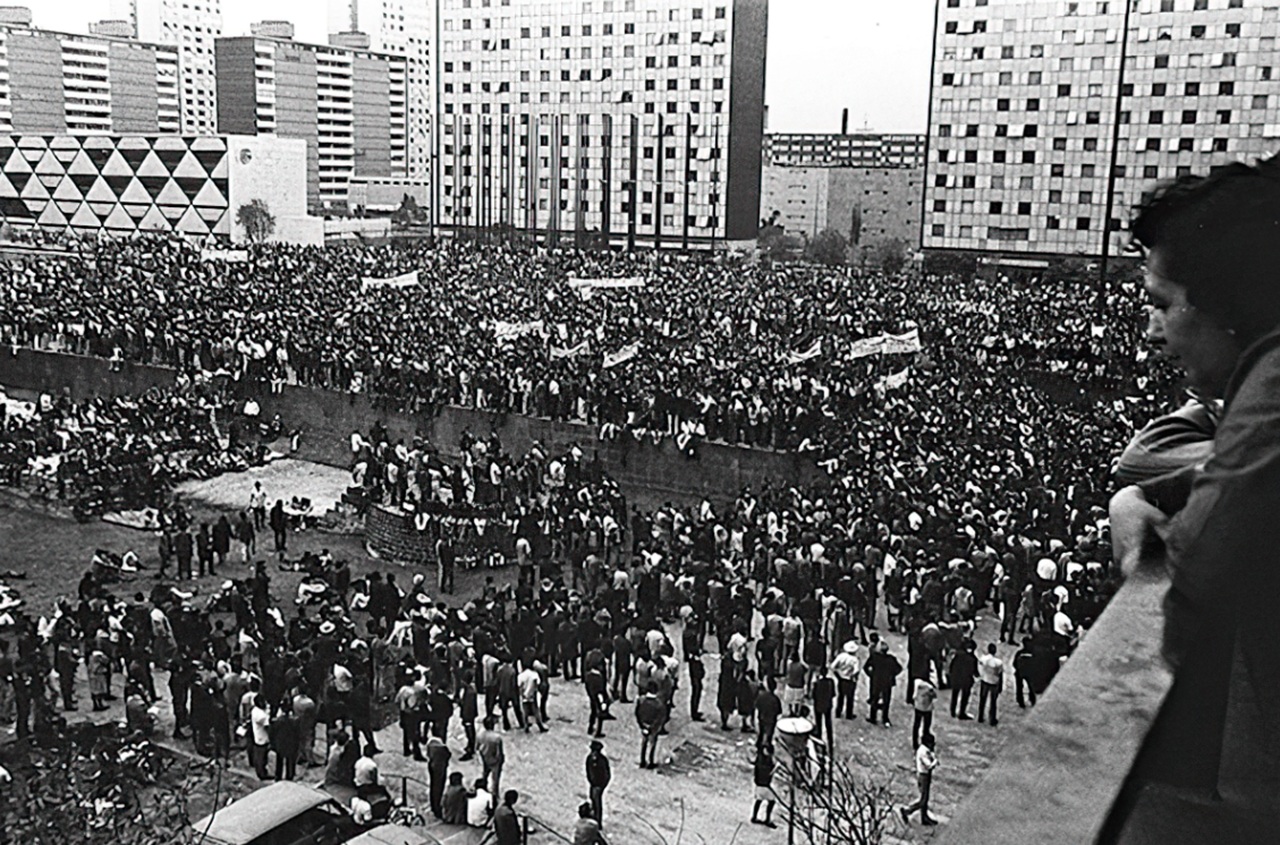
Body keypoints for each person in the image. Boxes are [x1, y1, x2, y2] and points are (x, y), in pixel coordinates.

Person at [1110, 160, 1280, 793]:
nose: (1152, 332)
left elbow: (1190, 598)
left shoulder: (1271, 393)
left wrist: (1134, 516)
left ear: (1228, 303)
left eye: (1161, 304)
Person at [900, 733, 939, 826]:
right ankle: (907, 810)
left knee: (925, 798)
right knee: (923, 799)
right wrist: (935, 762)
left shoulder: (926, 750)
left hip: (925, 775)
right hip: (923, 775)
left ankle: (924, 817)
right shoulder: (923, 752)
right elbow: (929, 765)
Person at [864, 641, 901, 727]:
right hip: (887, 682)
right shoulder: (891, 659)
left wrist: (871, 675)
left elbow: (866, 667)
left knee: (874, 699)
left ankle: (873, 717)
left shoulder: (874, 657)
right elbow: (899, 668)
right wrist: (892, 675)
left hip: (876, 681)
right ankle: (885, 718)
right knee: (886, 700)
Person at [635, 682, 667, 769]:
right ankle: (650, 761)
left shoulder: (641, 701)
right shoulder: (659, 704)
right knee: (652, 744)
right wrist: (653, 726)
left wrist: (642, 725)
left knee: (644, 742)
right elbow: (660, 718)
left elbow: (637, 713)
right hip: (653, 727)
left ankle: (642, 760)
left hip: (643, 724)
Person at [829, 640, 859, 720]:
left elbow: (832, 666)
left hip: (841, 679)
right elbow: (856, 671)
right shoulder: (854, 659)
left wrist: (838, 675)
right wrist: (853, 676)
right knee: (850, 698)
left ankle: (838, 712)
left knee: (840, 696)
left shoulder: (841, 656)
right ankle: (849, 714)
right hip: (850, 680)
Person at [949, 639, 978, 720]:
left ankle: (953, 711)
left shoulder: (958, 655)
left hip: (956, 678)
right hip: (966, 680)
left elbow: (952, 667)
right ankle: (962, 713)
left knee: (954, 695)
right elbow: (975, 672)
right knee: (964, 697)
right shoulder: (972, 659)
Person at [750, 746, 778, 828]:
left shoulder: (760, 759)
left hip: (761, 783)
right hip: (764, 783)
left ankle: (755, 816)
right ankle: (766, 818)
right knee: (770, 801)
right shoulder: (766, 760)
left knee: (760, 800)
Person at [477, 716, 505, 798]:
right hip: (494, 760)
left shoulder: (480, 735)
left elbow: (477, 747)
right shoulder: (497, 737)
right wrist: (500, 760)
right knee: (495, 779)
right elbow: (499, 752)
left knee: (485, 774)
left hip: (485, 758)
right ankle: (495, 795)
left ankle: (483, 788)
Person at [977, 643, 1003, 727]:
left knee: (982, 699)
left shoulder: (983, 659)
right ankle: (992, 719)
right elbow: (1000, 674)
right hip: (994, 682)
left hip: (984, 680)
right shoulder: (998, 662)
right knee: (993, 702)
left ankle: (980, 716)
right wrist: (1000, 686)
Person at [426, 732, 451, 818]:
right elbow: (448, 755)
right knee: (438, 788)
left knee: (433, 786)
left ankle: (433, 805)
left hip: (432, 766)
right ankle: (437, 808)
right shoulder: (443, 749)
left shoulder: (430, 746)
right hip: (440, 769)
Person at [585, 739, 611, 823]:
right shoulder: (589, 758)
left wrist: (602, 785)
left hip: (599, 784)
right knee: (592, 799)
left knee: (597, 802)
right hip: (593, 783)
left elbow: (606, 773)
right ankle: (594, 817)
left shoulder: (602, 760)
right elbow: (588, 771)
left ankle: (597, 821)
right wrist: (590, 781)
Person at [755, 676, 783, 752]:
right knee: (769, 733)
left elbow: (757, 706)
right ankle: (767, 744)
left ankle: (760, 744)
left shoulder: (761, 696)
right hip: (771, 720)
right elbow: (779, 711)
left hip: (762, 717)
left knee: (762, 731)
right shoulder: (775, 699)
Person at [910, 676, 936, 751]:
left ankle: (915, 743)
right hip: (927, 708)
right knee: (926, 726)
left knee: (917, 725)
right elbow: (934, 695)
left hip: (918, 707)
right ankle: (925, 741)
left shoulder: (917, 684)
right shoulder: (929, 687)